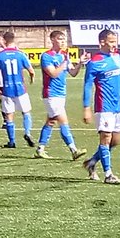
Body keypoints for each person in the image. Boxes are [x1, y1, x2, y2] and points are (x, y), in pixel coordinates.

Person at [82, 29, 120, 185]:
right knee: (106, 138)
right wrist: (86, 108)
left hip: (117, 106)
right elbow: (87, 85)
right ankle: (108, 174)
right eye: (111, 42)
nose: (114, 45)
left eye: (115, 41)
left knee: (115, 140)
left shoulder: (116, 57)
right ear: (102, 42)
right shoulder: (94, 62)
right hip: (103, 106)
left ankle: (91, 162)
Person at [35, 29, 88, 161]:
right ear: (52, 40)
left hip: (61, 93)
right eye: (60, 39)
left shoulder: (64, 55)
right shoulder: (46, 56)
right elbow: (53, 73)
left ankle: (40, 149)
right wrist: (64, 63)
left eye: (64, 39)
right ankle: (74, 150)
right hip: (51, 94)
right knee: (63, 120)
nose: (63, 41)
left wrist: (80, 63)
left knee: (51, 121)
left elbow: (73, 73)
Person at [0, 31, 35, 148]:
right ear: (14, 39)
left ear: (4, 40)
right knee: (26, 112)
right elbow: (31, 71)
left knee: (9, 116)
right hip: (20, 89)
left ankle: (12, 142)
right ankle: (27, 133)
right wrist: (31, 79)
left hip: (7, 89)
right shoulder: (21, 54)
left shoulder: (0, 55)